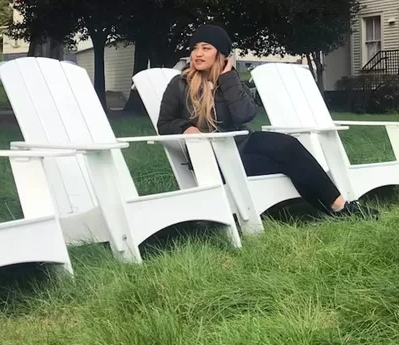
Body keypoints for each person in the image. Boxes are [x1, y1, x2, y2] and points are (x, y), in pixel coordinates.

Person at [157, 24, 377, 219]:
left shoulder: (230, 81)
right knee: (289, 163)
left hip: (242, 144)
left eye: (206, 48)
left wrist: (228, 78)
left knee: (288, 146)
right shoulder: (180, 84)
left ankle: (339, 207)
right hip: (213, 159)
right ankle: (338, 209)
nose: (198, 53)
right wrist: (187, 127)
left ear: (221, 54)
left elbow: (245, 115)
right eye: (195, 48)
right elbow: (164, 123)